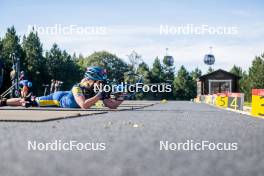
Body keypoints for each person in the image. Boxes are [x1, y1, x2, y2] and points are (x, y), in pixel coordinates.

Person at [0, 66, 123, 109]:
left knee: (26, 101)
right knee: (26, 102)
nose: (102, 85)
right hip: (58, 99)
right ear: (91, 80)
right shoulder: (77, 88)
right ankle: (3, 102)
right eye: (100, 82)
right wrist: (100, 95)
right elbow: (84, 105)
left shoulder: (98, 89)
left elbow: (112, 105)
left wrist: (123, 95)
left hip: (67, 97)